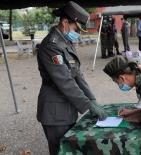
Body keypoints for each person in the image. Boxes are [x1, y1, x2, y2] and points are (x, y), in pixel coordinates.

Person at [36, 2, 107, 155]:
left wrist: (92, 99)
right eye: (76, 29)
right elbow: (65, 81)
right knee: (59, 151)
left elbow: (77, 74)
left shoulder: (65, 42)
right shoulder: (51, 46)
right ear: (65, 22)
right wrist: (88, 104)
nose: (78, 34)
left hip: (67, 108)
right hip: (55, 112)